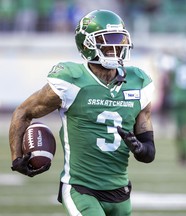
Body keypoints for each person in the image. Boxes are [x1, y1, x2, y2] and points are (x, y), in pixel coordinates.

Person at [9, 9, 155, 216]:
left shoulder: (138, 82)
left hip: (120, 192)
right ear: (87, 44)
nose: (116, 48)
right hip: (81, 188)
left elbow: (149, 153)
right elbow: (24, 112)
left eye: (119, 40)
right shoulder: (72, 80)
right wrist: (16, 158)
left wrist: (140, 148)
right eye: (109, 41)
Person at [158, 51, 186, 166]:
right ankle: (185, 153)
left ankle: (182, 154)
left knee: (179, 129)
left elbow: (167, 78)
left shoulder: (174, 64)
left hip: (177, 99)